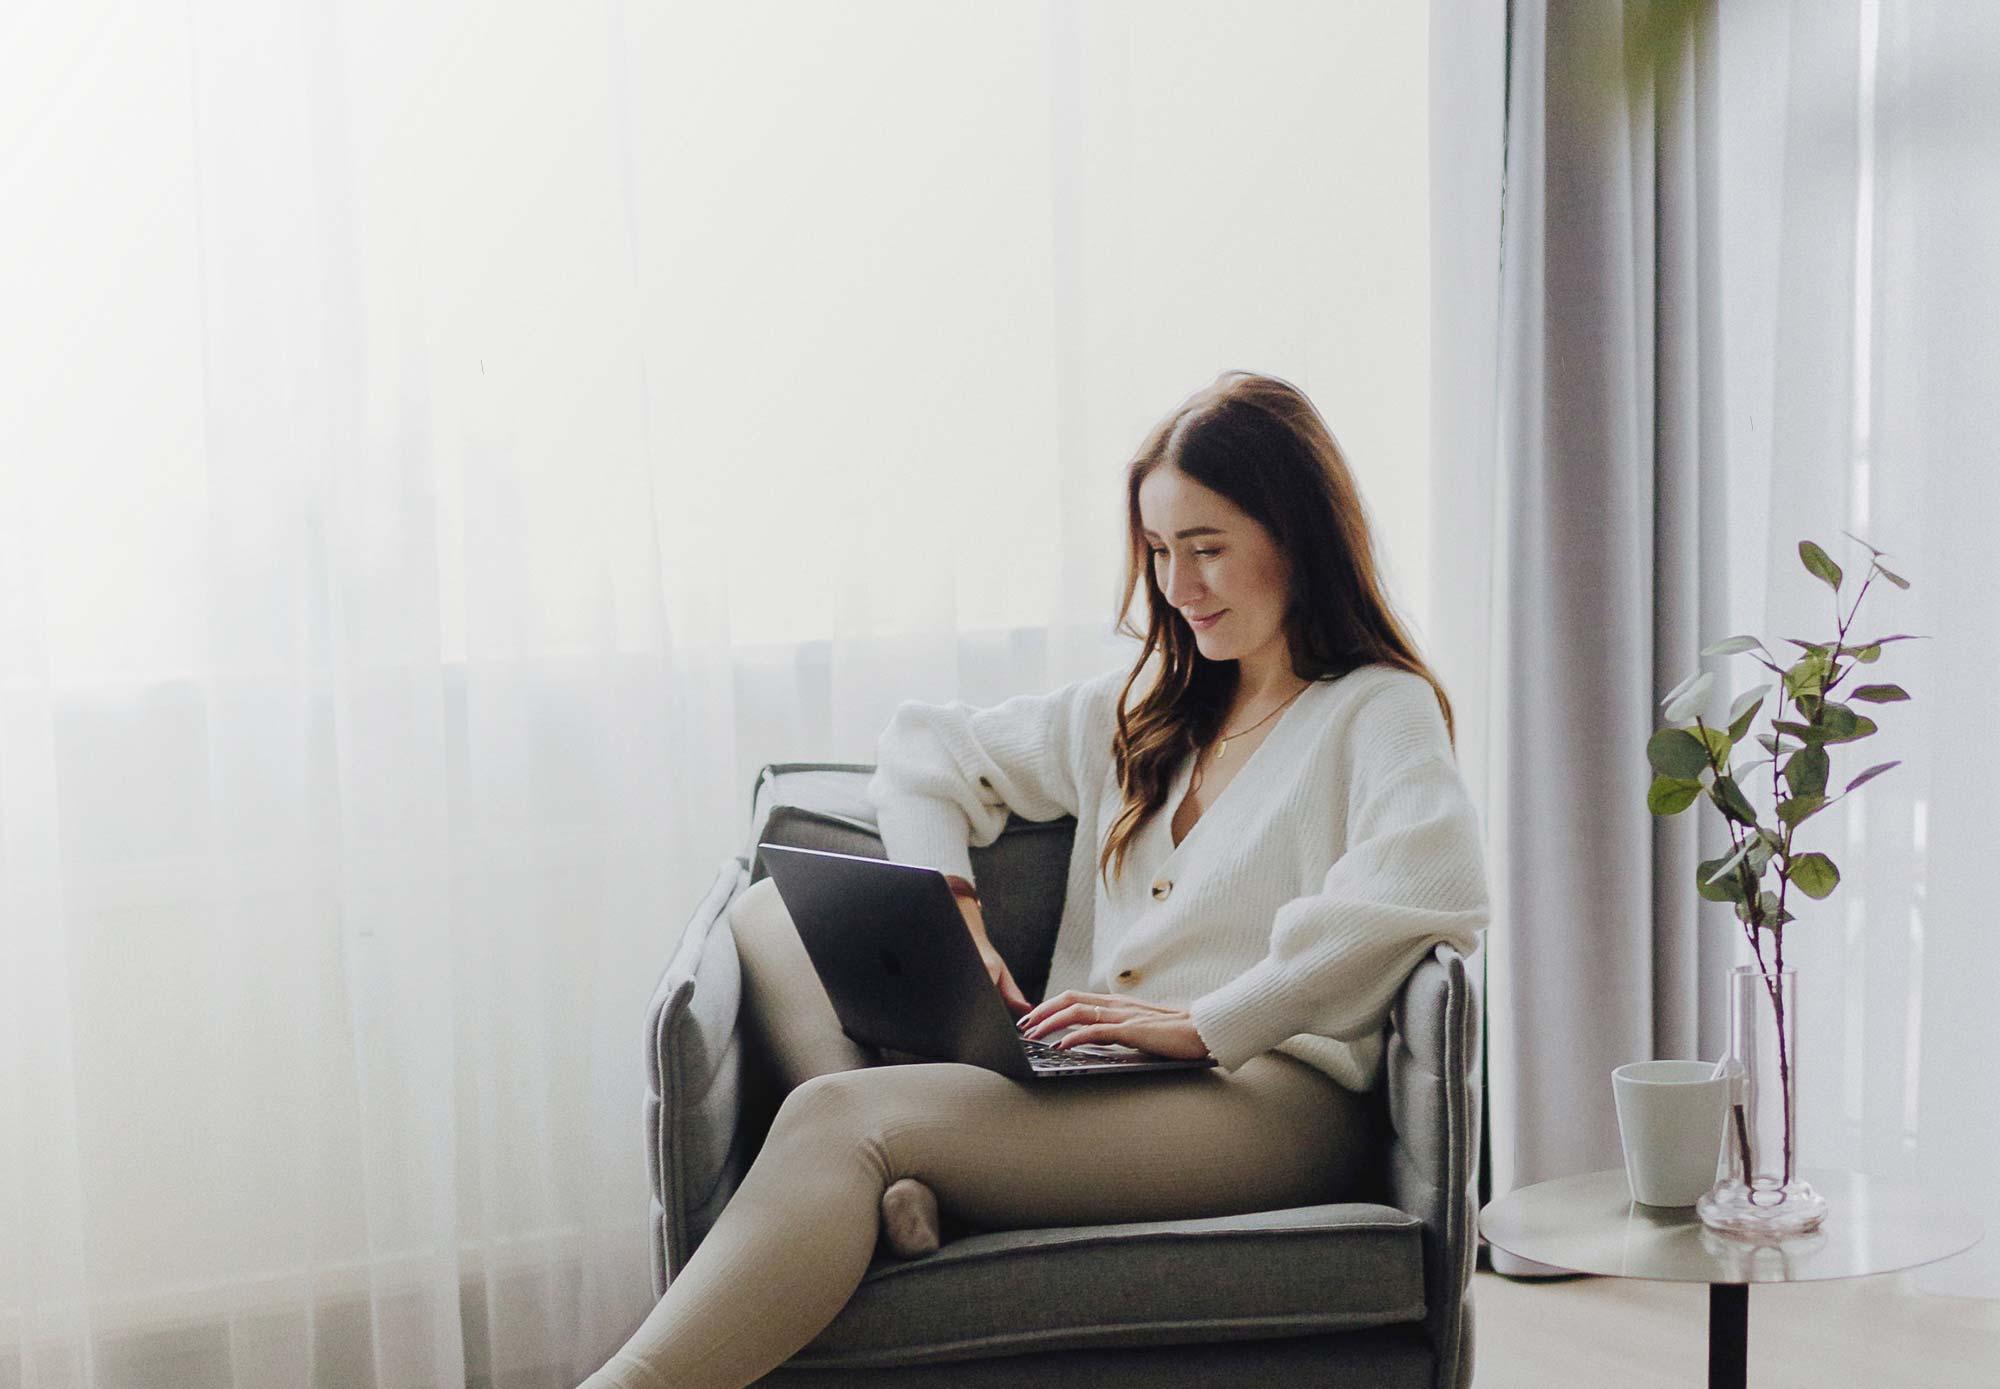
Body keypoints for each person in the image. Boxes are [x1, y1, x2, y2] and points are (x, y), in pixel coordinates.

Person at [580, 369, 1489, 1389]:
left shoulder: (1374, 709)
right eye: (1157, 552)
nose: (1178, 587)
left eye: (1206, 548)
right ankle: (906, 1181)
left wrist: (1208, 1021)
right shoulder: (1146, 708)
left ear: (1298, 536)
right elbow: (924, 751)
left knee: (837, 1118)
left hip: (1267, 1100)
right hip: (1093, 1078)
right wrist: (955, 910)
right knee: (765, 914)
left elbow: (1434, 877)